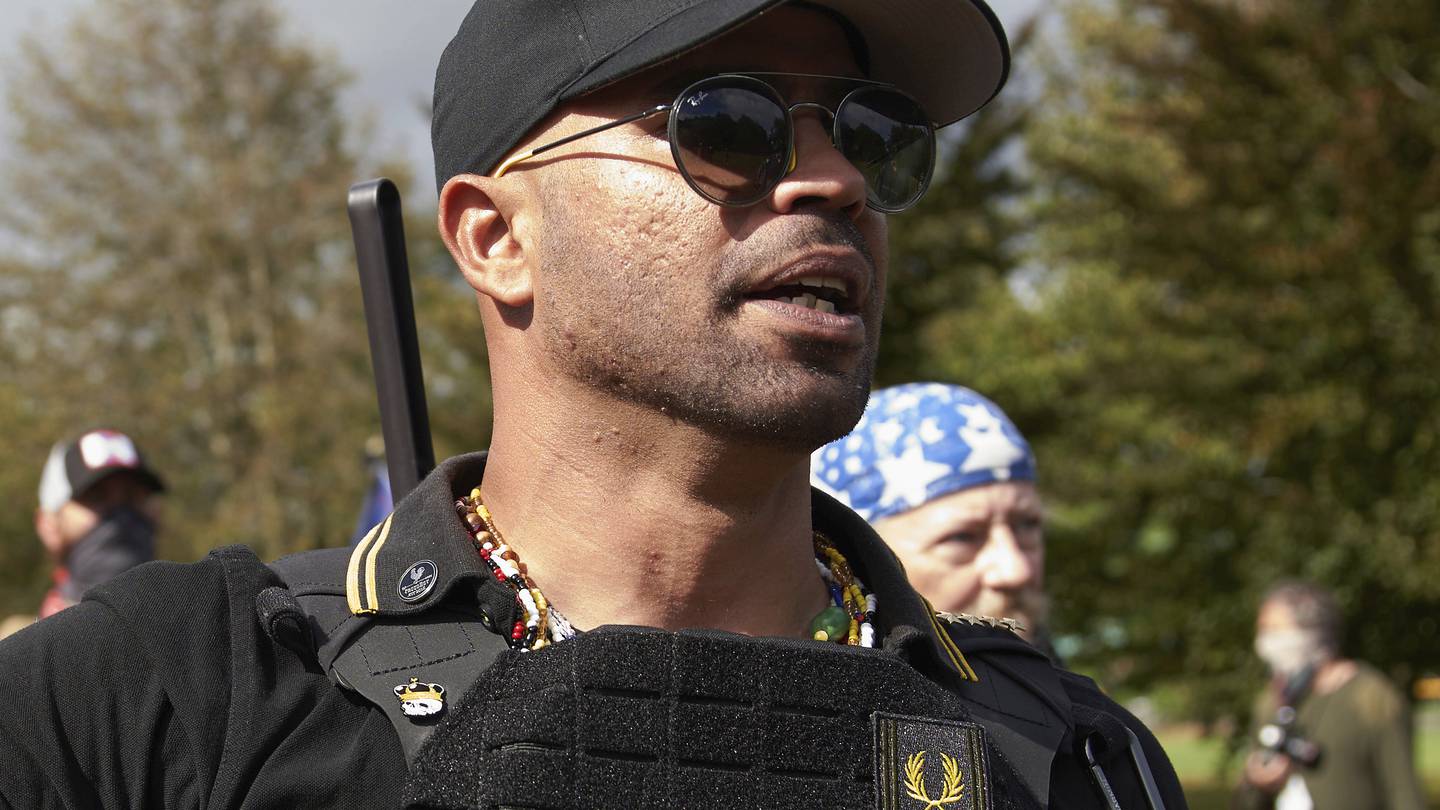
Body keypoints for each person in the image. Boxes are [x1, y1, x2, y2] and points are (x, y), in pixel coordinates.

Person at [0, 2, 1186, 808]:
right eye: (729, 121)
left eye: (876, 135)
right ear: (495, 237)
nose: (831, 180)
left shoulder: (1073, 756)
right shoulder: (170, 701)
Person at [811, 383, 1058, 659]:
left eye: (1027, 525)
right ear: (862, 557)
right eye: (962, 537)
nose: (1016, 571)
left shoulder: (1076, 699)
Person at [1235, 582, 1426, 810]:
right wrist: (1255, 782)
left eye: (1275, 630)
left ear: (1314, 632)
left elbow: (1403, 792)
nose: (1266, 642)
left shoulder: (1372, 698)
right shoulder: (1272, 700)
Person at [33, 428, 166, 619]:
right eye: (96, 496)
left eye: (133, 496)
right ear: (48, 526)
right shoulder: (14, 646)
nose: (122, 517)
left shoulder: (206, 632)